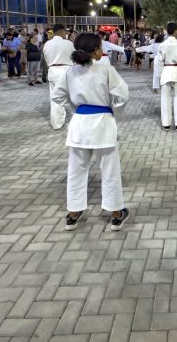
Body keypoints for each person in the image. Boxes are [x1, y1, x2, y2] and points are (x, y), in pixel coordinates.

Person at [51, 32, 131, 231]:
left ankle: (73, 213)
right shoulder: (105, 70)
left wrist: (75, 110)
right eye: (101, 48)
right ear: (95, 51)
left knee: (77, 170)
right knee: (109, 170)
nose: (102, 51)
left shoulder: (70, 72)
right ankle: (115, 212)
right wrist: (113, 112)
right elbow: (122, 95)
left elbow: (57, 95)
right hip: (102, 123)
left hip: (79, 124)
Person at [156, 21, 177, 131]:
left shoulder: (162, 45)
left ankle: (166, 124)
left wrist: (160, 75)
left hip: (166, 72)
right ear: (175, 31)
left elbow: (159, 62)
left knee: (165, 99)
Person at [43, 24, 74, 130]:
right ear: (62, 32)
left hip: (53, 70)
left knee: (55, 97)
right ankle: (78, 120)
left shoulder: (47, 44)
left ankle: (56, 124)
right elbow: (75, 57)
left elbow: (46, 58)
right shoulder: (69, 43)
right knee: (73, 97)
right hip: (67, 70)